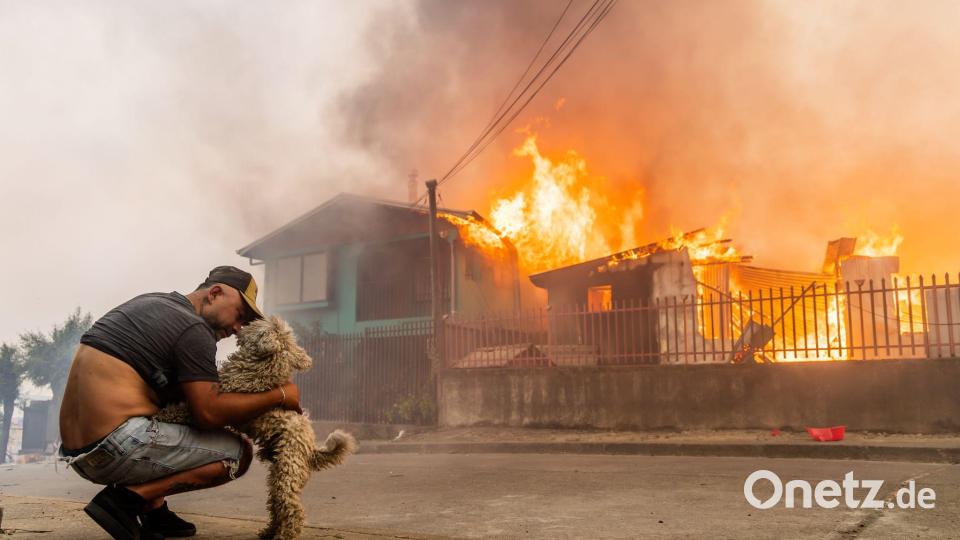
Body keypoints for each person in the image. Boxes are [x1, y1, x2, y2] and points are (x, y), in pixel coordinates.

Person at [58, 266, 302, 540]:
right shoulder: (193, 328)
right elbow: (208, 413)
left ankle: (154, 512)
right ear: (215, 293)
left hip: (78, 455)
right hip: (115, 447)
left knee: (167, 408)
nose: (237, 329)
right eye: (239, 315)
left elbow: (174, 399)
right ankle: (126, 501)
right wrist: (280, 395)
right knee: (237, 453)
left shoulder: (152, 303)